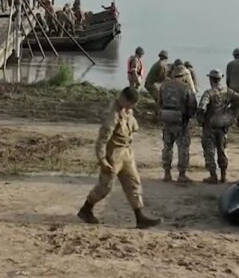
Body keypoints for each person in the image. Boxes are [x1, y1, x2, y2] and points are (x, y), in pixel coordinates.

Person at [77, 87, 162, 228]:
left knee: (133, 183)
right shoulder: (112, 114)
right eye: (130, 103)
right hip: (113, 155)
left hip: (126, 153)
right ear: (125, 99)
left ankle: (140, 218)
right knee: (105, 187)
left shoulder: (127, 112)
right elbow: (102, 139)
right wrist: (102, 159)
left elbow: (133, 128)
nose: (131, 107)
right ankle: (86, 209)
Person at [197, 69, 239, 184]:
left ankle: (213, 176)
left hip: (210, 125)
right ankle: (223, 175)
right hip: (223, 125)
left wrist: (201, 119)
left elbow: (201, 107)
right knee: (222, 150)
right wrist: (230, 112)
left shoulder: (209, 93)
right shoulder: (228, 91)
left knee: (209, 151)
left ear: (211, 80)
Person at [159, 65, 198, 182]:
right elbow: (192, 105)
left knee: (167, 146)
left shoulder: (163, 86)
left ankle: (167, 173)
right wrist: (189, 117)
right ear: (184, 75)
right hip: (180, 121)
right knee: (183, 148)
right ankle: (181, 174)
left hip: (166, 119)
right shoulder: (186, 87)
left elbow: (159, 103)